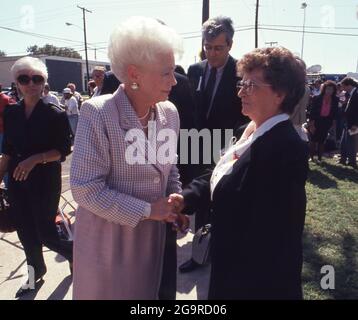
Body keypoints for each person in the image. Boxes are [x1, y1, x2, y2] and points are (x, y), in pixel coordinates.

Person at [170, 47, 309, 299]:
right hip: (230, 267)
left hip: (253, 281)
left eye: (251, 85)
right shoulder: (247, 128)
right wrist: (185, 198)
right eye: (241, 83)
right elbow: (219, 172)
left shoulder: (287, 149)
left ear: (280, 93)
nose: (241, 91)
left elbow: (272, 238)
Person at [70, 16, 187, 300]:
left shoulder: (169, 112)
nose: (174, 80)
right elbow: (86, 189)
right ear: (134, 74)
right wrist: (149, 210)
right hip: (109, 244)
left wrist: (175, 202)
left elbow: (169, 170)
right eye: (166, 72)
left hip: (156, 239)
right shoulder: (98, 113)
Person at [180, 15, 249, 274]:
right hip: (195, 144)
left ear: (230, 45)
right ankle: (200, 252)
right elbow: (190, 110)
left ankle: (220, 248)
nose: (211, 52)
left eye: (218, 47)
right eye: (207, 47)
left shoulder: (241, 72)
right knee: (199, 198)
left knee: (222, 199)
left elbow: (245, 114)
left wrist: (234, 146)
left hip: (226, 146)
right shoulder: (195, 70)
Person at [0, 56, 73, 298]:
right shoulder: (11, 112)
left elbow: (63, 150)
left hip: (45, 181)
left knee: (46, 233)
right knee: (26, 232)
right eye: (24, 79)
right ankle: (35, 272)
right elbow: (9, 148)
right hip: (18, 181)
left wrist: (35, 159)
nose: (31, 84)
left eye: (37, 79)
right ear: (17, 83)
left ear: (44, 82)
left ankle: (75, 255)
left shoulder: (55, 113)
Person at [307, 80, 339, 163]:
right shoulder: (316, 98)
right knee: (313, 140)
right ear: (324, 89)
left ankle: (320, 158)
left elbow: (335, 112)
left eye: (331, 89)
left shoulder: (335, 99)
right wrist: (311, 123)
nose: (329, 91)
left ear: (334, 90)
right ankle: (311, 157)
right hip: (316, 121)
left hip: (326, 122)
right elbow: (312, 111)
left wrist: (333, 122)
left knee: (322, 141)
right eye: (328, 89)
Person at [338, 77, 358, 168]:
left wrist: (355, 124)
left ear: (349, 85)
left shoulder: (357, 93)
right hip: (347, 121)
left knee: (351, 142)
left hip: (353, 123)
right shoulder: (350, 94)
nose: (343, 89)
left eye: (344, 87)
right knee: (344, 141)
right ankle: (343, 158)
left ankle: (352, 161)